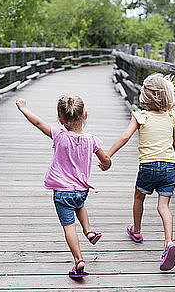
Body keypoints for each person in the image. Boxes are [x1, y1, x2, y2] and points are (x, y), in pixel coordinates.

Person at [16, 95, 111, 278]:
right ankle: (89, 231)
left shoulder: (59, 135)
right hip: (81, 191)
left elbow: (38, 123)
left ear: (60, 120)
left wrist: (23, 108)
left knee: (69, 226)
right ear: (85, 115)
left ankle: (78, 260)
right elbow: (105, 159)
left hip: (62, 192)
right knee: (79, 205)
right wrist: (106, 165)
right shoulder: (91, 140)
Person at [103, 74, 175, 271]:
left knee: (139, 197)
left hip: (148, 167)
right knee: (164, 206)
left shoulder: (141, 116)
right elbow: (174, 143)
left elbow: (125, 136)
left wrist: (108, 155)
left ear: (145, 96)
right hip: (169, 167)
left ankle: (136, 231)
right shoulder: (171, 116)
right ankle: (169, 242)